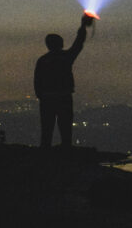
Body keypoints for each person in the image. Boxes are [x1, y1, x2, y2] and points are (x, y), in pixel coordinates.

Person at [34, 13, 93, 148]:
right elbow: (78, 44)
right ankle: (66, 153)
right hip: (64, 97)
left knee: (47, 129)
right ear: (60, 44)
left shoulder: (42, 60)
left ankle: (45, 154)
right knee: (65, 128)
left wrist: (41, 95)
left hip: (47, 99)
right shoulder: (65, 57)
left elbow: (37, 81)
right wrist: (83, 26)